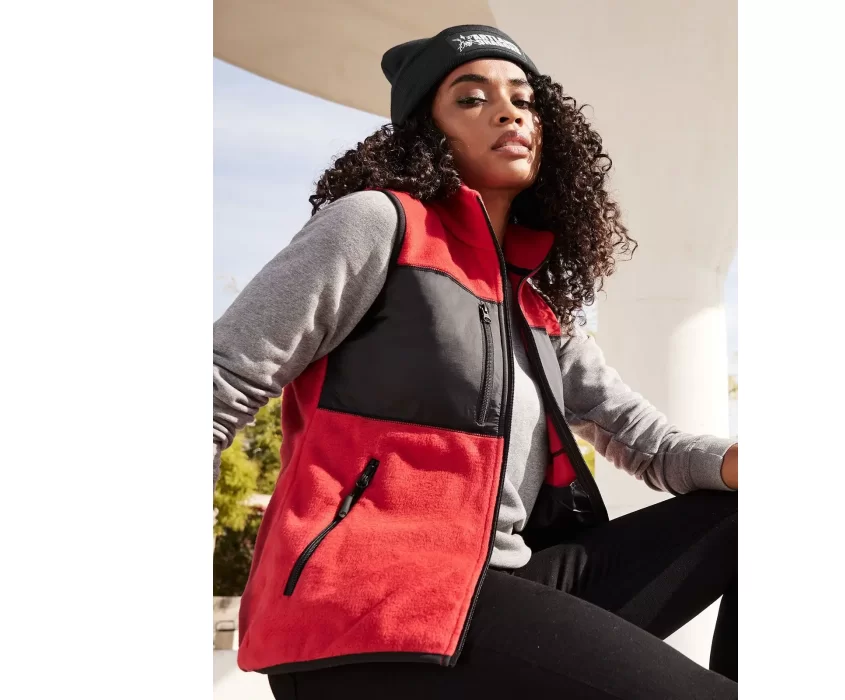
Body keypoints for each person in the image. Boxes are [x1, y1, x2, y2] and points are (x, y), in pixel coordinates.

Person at [213, 24, 738, 700]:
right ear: (427, 133)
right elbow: (223, 378)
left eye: (524, 99)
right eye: (471, 98)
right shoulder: (376, 225)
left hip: (501, 590)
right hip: (370, 598)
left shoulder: (535, 305)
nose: (509, 112)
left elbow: (648, 442)